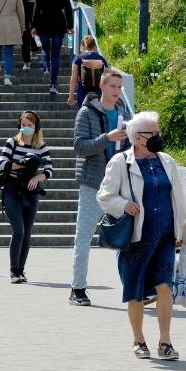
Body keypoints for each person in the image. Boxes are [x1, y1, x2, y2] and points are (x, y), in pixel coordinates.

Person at [97, 111, 186, 360]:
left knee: (164, 287)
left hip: (165, 236)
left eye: (158, 132)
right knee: (135, 291)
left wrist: (182, 230)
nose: (158, 137)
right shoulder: (120, 162)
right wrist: (123, 205)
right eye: (153, 133)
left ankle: (165, 342)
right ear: (137, 138)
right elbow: (104, 196)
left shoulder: (166, 160)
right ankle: (139, 340)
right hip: (136, 239)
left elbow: (179, 198)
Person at [70, 69, 133, 306]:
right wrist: (108, 137)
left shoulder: (123, 113)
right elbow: (80, 147)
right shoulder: (86, 112)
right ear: (102, 87)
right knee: (83, 237)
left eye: (120, 87)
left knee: (126, 237)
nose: (117, 91)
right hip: (93, 182)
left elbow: (129, 149)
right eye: (113, 87)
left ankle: (133, 288)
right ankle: (77, 288)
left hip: (118, 184)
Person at [0, 111, 54, 283]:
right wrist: (21, 163)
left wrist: (38, 177)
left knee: (27, 232)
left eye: (30, 125)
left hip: (31, 191)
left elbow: (49, 170)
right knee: (19, 231)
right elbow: (2, 164)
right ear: (19, 125)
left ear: (36, 127)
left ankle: (21, 270)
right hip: (12, 189)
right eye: (24, 124)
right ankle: (14, 270)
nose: (26, 128)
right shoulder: (12, 143)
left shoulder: (42, 146)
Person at [33, 0, 75, 95]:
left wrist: (33, 26)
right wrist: (70, 26)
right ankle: (53, 85)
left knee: (45, 49)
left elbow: (36, 9)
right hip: (59, 24)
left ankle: (46, 67)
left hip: (43, 24)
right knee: (55, 55)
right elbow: (68, 9)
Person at [69, 36, 108, 107]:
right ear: (95, 46)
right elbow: (107, 79)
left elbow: (73, 79)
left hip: (83, 91)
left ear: (82, 46)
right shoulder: (102, 59)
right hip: (98, 92)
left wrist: (71, 96)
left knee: (83, 113)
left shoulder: (78, 58)